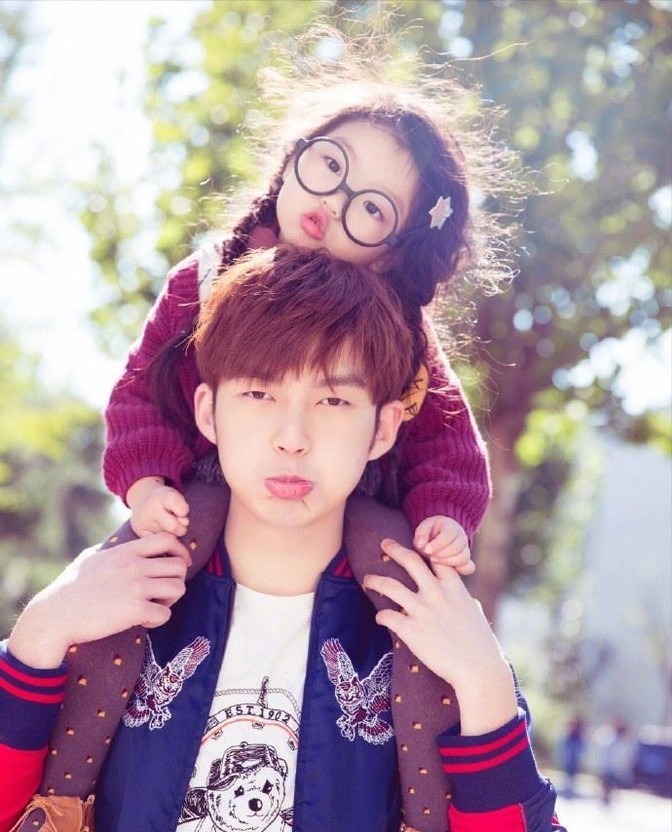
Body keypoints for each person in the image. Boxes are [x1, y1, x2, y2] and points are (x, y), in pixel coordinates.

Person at [34, 25, 526, 828]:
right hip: (190, 502)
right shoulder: (206, 276)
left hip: (357, 519)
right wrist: (145, 483)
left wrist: (444, 519)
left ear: (395, 251)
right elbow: (139, 391)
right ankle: (63, 795)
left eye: (371, 210)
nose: (332, 207)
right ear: (292, 159)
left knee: (412, 615)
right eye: (327, 168)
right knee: (127, 596)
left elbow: (448, 441)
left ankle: (425, 801)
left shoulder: (402, 336)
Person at [1, 247, 564, 832]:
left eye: (333, 400)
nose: (292, 437)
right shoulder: (111, 600)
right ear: (208, 412)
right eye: (259, 394)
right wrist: (39, 633)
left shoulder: (429, 635)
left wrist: (486, 685)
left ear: (383, 428)